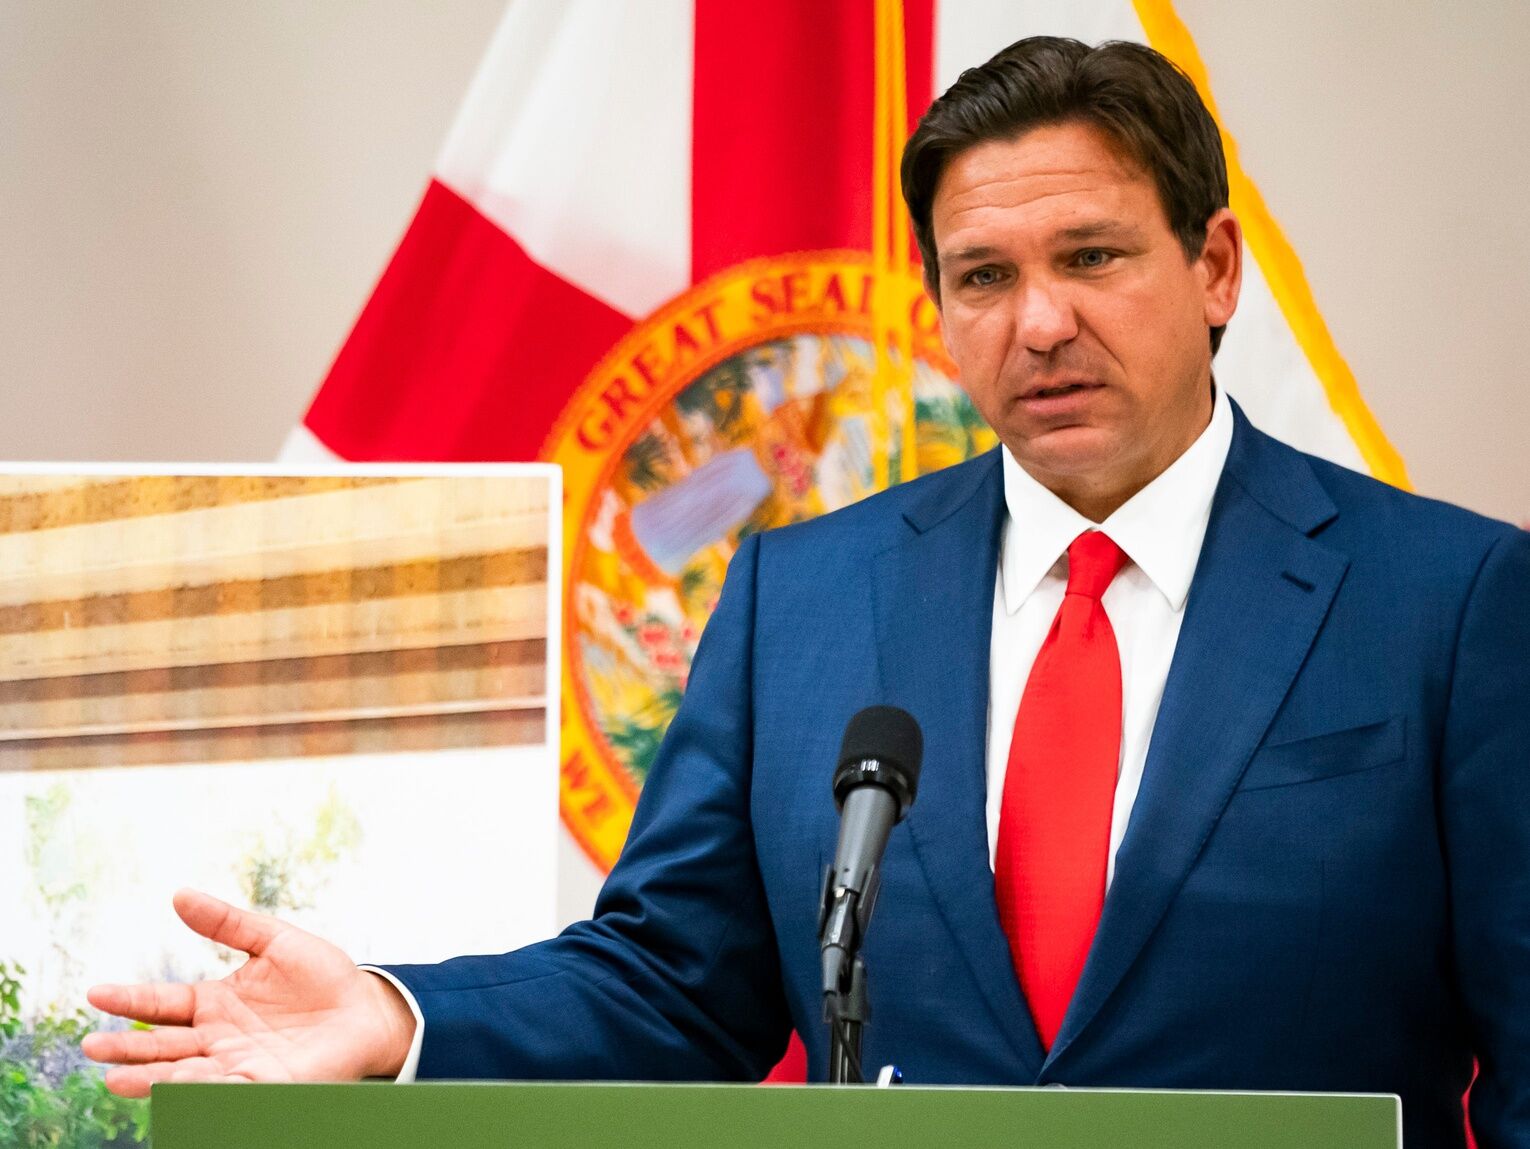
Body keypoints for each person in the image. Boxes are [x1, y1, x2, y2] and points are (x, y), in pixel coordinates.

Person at [83, 37, 1529, 1148]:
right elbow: (673, 984)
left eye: (1091, 257)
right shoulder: (802, 596)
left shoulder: (1451, 602)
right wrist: (397, 1015)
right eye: (982, 276)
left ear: (1211, 265)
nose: (1038, 322)